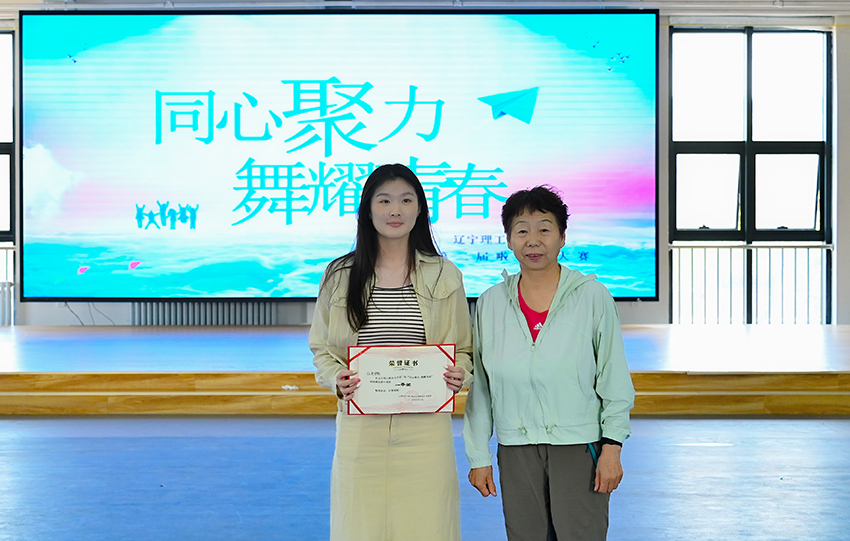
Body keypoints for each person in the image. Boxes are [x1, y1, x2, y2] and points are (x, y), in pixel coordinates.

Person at [309, 163, 473, 541]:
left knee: (428, 526)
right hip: (360, 427)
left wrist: (460, 373)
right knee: (359, 526)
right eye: (384, 201)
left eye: (405, 200)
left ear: (420, 210)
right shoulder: (340, 275)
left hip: (426, 429)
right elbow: (322, 349)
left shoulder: (445, 274)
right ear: (368, 210)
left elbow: (464, 350)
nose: (395, 210)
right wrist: (336, 378)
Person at [463, 186, 635, 541]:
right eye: (521, 230)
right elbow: (482, 389)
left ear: (562, 237)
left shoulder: (592, 296)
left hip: (578, 445)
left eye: (544, 229)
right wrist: (479, 456)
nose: (533, 240)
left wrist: (612, 446)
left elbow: (614, 378)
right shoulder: (490, 303)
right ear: (509, 240)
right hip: (516, 447)